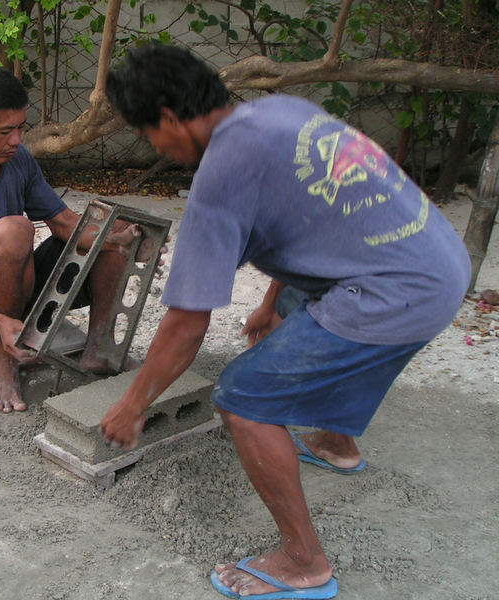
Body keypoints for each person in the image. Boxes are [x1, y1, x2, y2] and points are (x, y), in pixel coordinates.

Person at [100, 44, 470, 600]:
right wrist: (273, 301)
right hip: (438, 259)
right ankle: (336, 442)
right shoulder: (281, 113)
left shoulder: (218, 178)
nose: (158, 147)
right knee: (302, 313)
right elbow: (311, 216)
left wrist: (133, 405)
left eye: (151, 135)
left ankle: (303, 561)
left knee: (244, 398)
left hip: (396, 294)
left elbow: (186, 326)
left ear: (171, 119)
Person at [0, 66, 141, 414]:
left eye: (20, 128)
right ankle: (3, 356)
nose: (17, 140)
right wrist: (0, 323)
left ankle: (100, 349)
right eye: (5, 132)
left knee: (113, 223)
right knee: (16, 229)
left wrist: (122, 239)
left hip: (20, 293)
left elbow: (65, 222)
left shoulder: (17, 161)